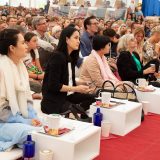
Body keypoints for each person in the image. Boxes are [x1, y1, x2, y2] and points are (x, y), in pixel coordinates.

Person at [0, 29, 41, 151]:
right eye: (23, 43)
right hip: (3, 121)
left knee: (45, 125)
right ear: (12, 48)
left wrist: (33, 118)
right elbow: (1, 109)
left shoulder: (21, 65)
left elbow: (26, 97)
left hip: (17, 118)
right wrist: (24, 121)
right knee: (30, 134)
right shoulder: (2, 68)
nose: (26, 46)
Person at [41, 27, 95, 115]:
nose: (78, 41)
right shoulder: (57, 56)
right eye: (76, 38)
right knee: (78, 112)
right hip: (54, 100)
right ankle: (76, 111)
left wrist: (83, 84)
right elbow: (53, 85)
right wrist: (76, 88)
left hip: (67, 96)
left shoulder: (71, 56)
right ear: (67, 39)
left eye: (79, 38)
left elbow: (68, 81)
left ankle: (77, 111)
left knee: (93, 98)